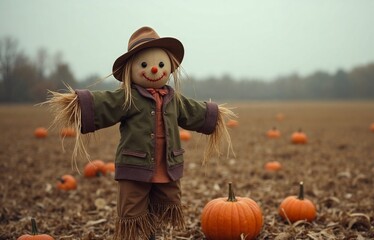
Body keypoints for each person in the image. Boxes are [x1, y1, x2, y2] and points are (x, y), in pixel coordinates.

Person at [45, 26, 234, 240]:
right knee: (134, 205)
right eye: (144, 65)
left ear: (170, 68)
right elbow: (105, 103)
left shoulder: (174, 100)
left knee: (161, 201)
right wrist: (78, 105)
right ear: (130, 70)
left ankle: (152, 233)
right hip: (136, 166)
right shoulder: (128, 97)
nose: (154, 70)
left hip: (166, 165)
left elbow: (193, 111)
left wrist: (214, 115)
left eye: (161, 65)